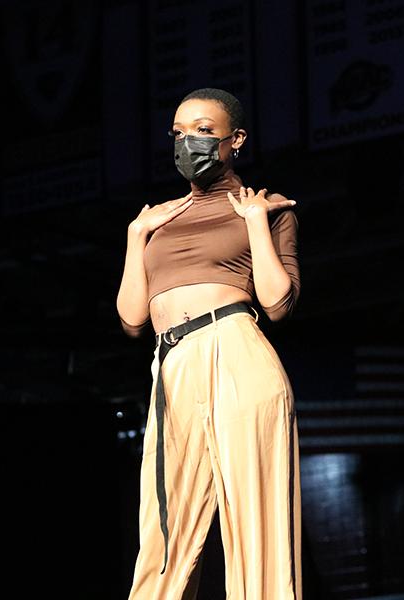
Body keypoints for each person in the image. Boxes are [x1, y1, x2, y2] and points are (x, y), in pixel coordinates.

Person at [116, 87, 302, 600]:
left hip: (235, 348)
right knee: (164, 534)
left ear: (235, 139)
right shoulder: (157, 223)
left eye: (203, 130)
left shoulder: (265, 210)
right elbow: (132, 319)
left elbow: (277, 301)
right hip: (172, 363)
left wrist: (256, 225)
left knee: (258, 526)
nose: (188, 143)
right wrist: (136, 237)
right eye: (179, 134)